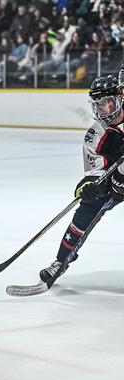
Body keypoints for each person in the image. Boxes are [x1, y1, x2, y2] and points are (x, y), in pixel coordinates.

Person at [39, 75, 124, 283]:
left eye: (105, 103)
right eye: (97, 105)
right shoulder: (95, 135)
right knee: (87, 207)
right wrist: (89, 187)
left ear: (119, 98)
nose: (102, 109)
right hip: (114, 182)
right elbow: (94, 172)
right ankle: (61, 261)